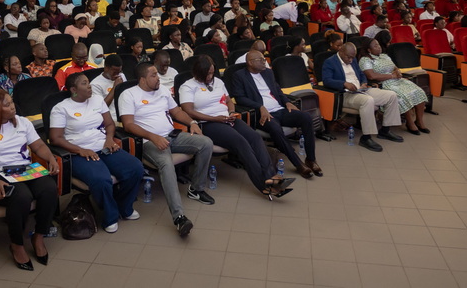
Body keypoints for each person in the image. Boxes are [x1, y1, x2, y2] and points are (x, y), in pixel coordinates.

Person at [119, 62, 215, 237]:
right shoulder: (128, 95)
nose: (158, 78)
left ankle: (196, 189)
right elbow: (128, 124)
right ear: (142, 79)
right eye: (153, 75)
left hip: (171, 135)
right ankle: (179, 217)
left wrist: (192, 123)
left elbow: (177, 112)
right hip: (148, 141)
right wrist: (153, 137)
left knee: (206, 143)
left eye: (157, 74)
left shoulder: (162, 90)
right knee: (166, 162)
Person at [179, 55, 295, 199]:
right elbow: (188, 111)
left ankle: (272, 178)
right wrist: (215, 118)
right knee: (241, 142)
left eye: (212, 72)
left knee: (255, 137)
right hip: (208, 123)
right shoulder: (188, 86)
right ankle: (264, 185)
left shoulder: (219, 82)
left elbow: (229, 101)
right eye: (207, 74)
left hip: (227, 118)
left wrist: (232, 112)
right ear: (198, 72)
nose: (210, 76)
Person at [0, 89, 59, 270]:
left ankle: (39, 237)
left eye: (12, 102)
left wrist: (50, 158)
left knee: (49, 188)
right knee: (22, 197)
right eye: (8, 104)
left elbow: (39, 145)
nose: (13, 107)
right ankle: (16, 245)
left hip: (24, 170)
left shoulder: (23, 122)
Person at [50, 72, 144, 233]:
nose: (89, 86)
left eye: (89, 83)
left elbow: (109, 124)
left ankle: (124, 206)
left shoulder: (97, 100)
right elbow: (55, 139)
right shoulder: (61, 108)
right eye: (84, 84)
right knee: (101, 180)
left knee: (135, 168)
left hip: (103, 145)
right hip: (78, 152)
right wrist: (80, 150)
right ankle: (110, 216)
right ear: (73, 89)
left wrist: (109, 139)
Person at [231, 51, 320, 178]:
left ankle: (311, 159)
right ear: (250, 62)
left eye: (264, 59)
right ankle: (297, 163)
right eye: (260, 59)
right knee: (275, 128)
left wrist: (287, 102)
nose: (264, 61)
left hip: (279, 109)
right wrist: (260, 107)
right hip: (261, 114)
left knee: (305, 118)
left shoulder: (268, 72)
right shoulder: (239, 76)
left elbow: (278, 91)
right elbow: (240, 98)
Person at [321, 42, 403, 152]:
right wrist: (344, 83)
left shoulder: (353, 60)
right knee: (368, 101)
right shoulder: (330, 62)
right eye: (348, 57)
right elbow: (327, 80)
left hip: (361, 90)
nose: (350, 60)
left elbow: (361, 74)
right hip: (345, 94)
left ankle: (385, 131)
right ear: (341, 51)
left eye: (352, 57)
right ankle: (366, 137)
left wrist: (364, 82)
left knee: (391, 95)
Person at [358, 39, 430, 133]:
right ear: (369, 50)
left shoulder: (384, 56)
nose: (379, 47)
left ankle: (419, 121)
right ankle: (410, 123)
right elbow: (371, 76)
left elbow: (394, 67)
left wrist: (397, 71)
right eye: (375, 46)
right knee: (404, 95)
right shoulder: (365, 60)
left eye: (379, 44)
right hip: (383, 83)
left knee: (418, 91)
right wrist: (391, 76)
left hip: (397, 80)